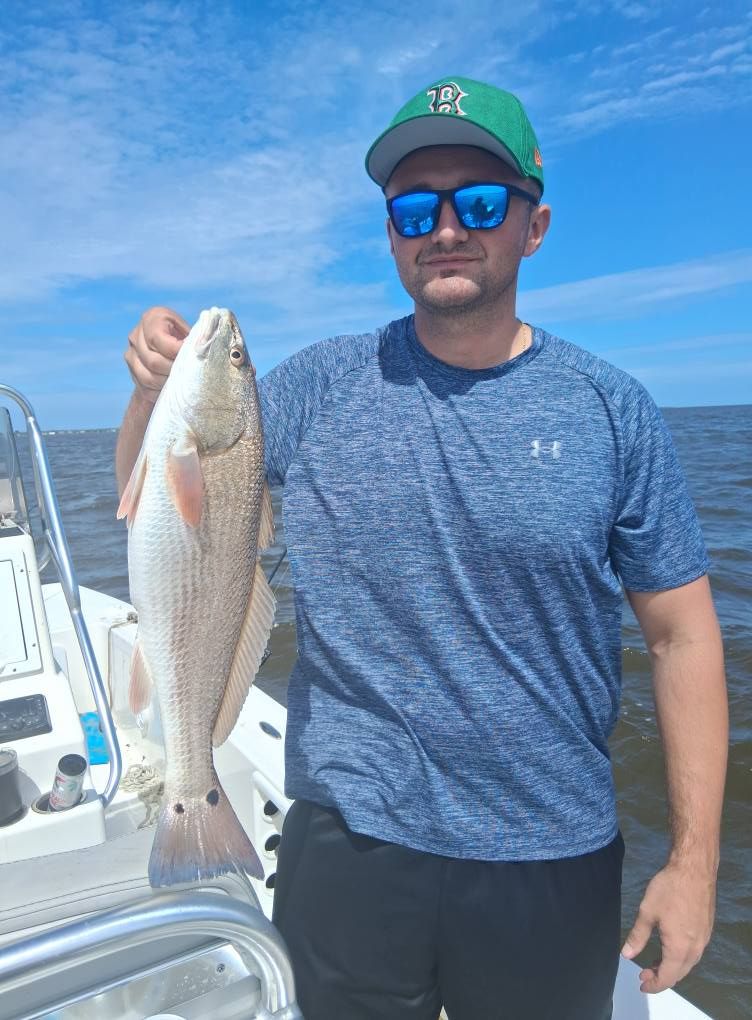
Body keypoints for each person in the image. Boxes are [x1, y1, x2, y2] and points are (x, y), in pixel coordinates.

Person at [115, 76, 728, 1020]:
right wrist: (153, 391)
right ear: (393, 232)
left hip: (549, 853)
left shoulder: (614, 410)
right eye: (414, 207)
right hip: (349, 839)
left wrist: (693, 865)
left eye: (480, 202)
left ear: (535, 225)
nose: (446, 228)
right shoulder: (319, 385)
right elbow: (169, 506)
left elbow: (684, 637)